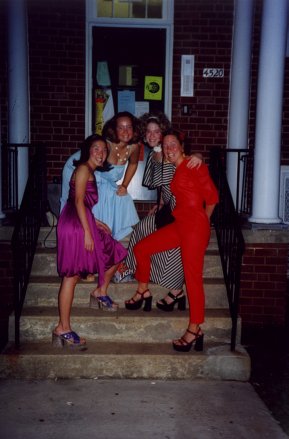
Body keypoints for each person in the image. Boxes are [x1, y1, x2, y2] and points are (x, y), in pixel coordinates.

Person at [125, 130, 219, 352]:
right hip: (179, 224)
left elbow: (213, 198)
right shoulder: (176, 168)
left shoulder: (195, 166)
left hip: (194, 226)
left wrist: (202, 223)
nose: (169, 148)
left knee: (192, 278)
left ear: (182, 146)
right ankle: (143, 290)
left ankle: (195, 328)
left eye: (173, 144)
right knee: (142, 248)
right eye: (166, 145)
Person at [53, 134, 127, 348]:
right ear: (88, 150)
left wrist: (96, 223)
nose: (101, 153)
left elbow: (81, 203)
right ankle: (63, 327)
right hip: (75, 225)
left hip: (77, 220)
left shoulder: (89, 171)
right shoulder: (84, 168)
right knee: (72, 276)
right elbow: (77, 200)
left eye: (104, 150)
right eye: (96, 148)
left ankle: (99, 293)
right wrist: (88, 231)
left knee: (115, 252)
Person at [125, 112, 202, 310]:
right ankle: (143, 285)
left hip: (182, 210)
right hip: (167, 207)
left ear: (163, 132)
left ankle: (175, 291)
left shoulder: (170, 151)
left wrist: (198, 156)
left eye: (156, 131)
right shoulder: (154, 156)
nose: (151, 135)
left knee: (171, 247)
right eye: (148, 132)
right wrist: (160, 204)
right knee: (142, 229)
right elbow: (163, 186)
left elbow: (188, 162)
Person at [59, 111, 141, 241]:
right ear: (114, 130)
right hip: (80, 169)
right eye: (120, 127)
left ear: (134, 128)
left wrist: (124, 185)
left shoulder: (134, 147)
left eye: (129, 127)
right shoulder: (106, 146)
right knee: (98, 199)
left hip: (103, 180)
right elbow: (88, 163)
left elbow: (133, 164)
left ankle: (107, 238)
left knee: (121, 196)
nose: (125, 131)